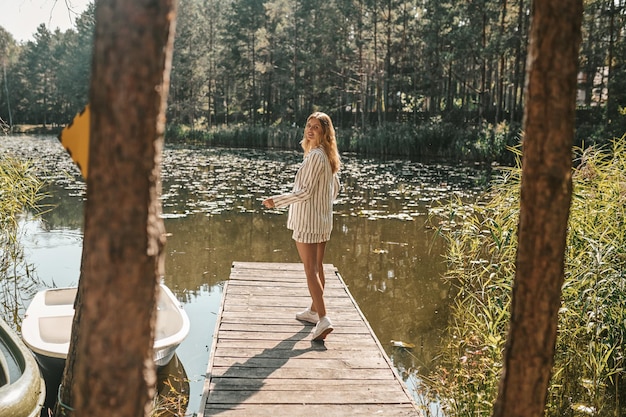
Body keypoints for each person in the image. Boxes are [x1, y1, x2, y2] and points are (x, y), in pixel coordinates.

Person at [262, 112, 341, 341]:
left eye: (316, 127)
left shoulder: (316, 156)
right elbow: (334, 190)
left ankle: (324, 318)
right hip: (322, 219)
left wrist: (275, 201)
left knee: (310, 270)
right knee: (318, 267)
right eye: (309, 125)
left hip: (308, 220)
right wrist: (323, 207)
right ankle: (315, 311)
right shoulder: (328, 155)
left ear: (324, 132)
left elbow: (304, 192)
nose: (310, 129)